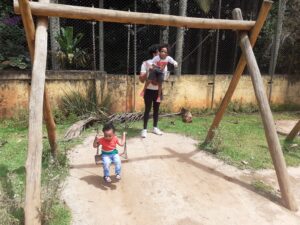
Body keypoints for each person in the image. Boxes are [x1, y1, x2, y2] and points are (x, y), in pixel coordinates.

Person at [139, 44, 165, 138]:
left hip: (158, 90)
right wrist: (148, 72)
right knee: (147, 109)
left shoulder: (163, 63)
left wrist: (156, 81)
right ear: (155, 53)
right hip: (148, 91)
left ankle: (155, 128)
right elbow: (141, 79)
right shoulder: (145, 63)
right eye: (160, 52)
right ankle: (144, 129)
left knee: (156, 110)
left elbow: (163, 77)